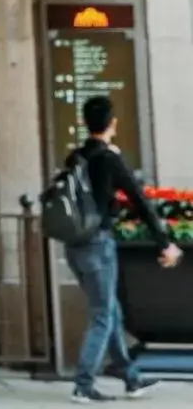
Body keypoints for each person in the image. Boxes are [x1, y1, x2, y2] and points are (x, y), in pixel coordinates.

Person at [65, 95, 179, 404]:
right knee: (103, 314)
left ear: (85, 122)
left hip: (74, 246)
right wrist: (164, 242)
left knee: (110, 309)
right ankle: (83, 384)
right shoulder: (109, 158)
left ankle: (131, 378)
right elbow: (139, 199)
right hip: (98, 243)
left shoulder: (75, 157)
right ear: (112, 123)